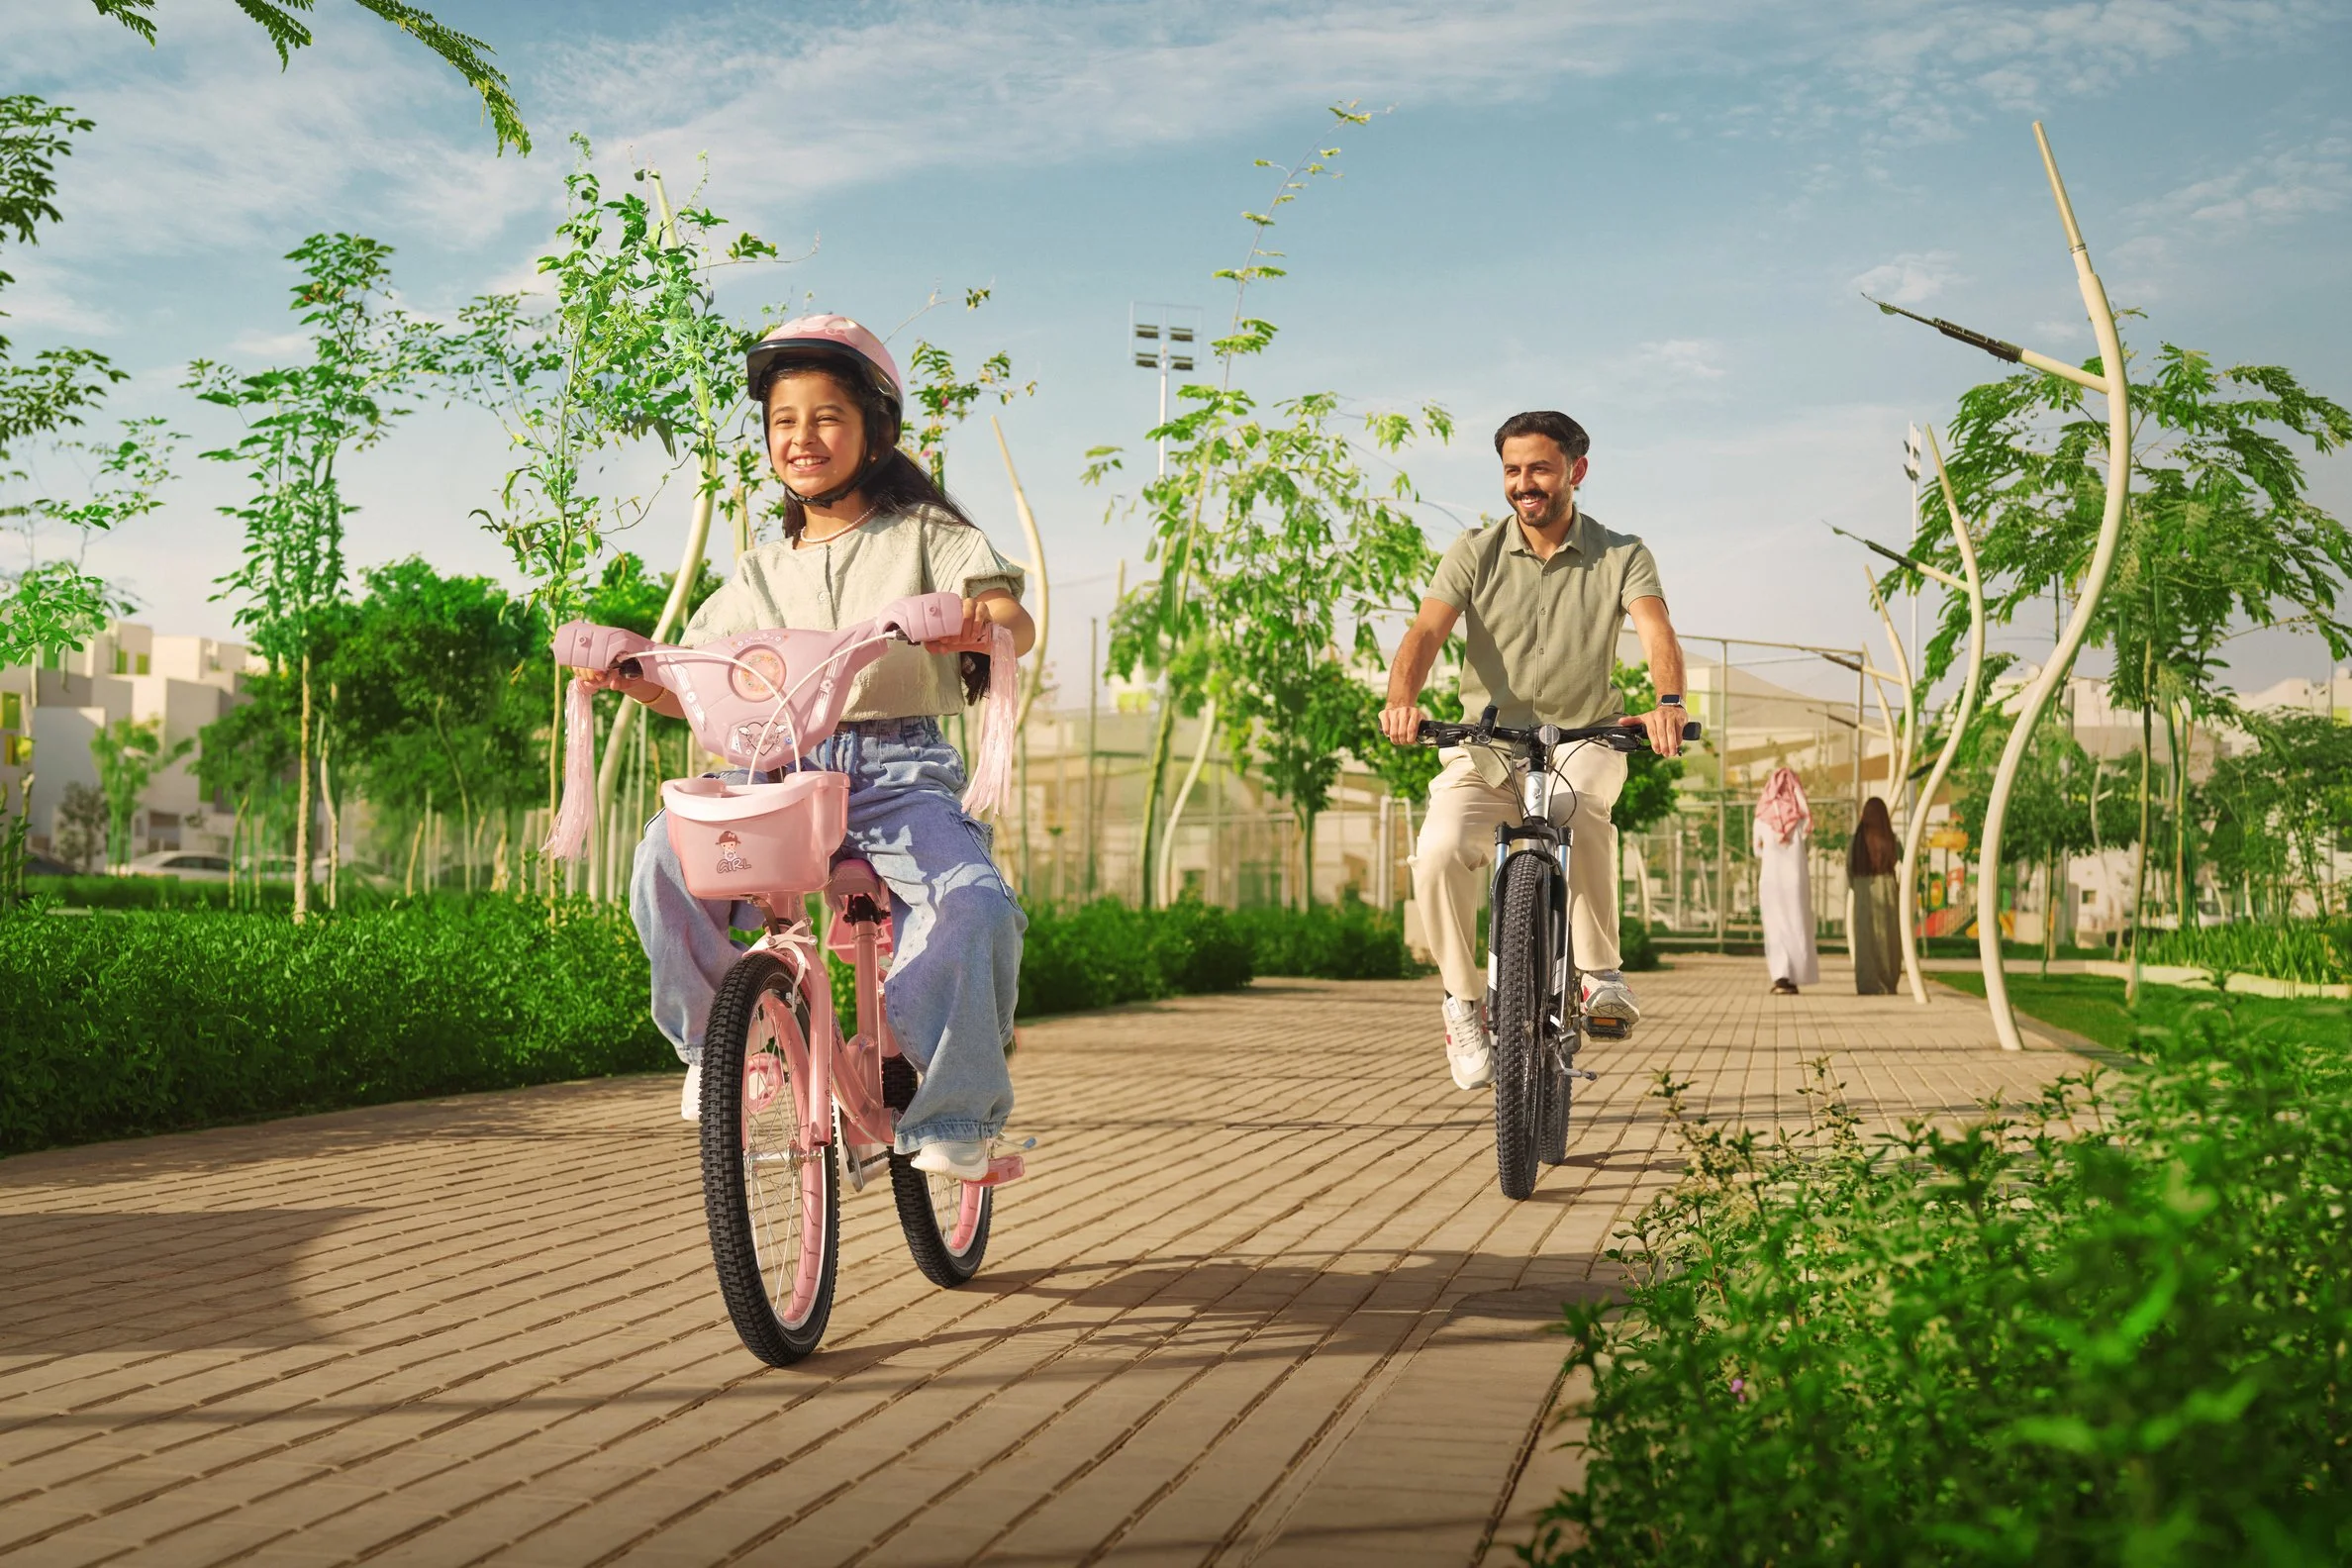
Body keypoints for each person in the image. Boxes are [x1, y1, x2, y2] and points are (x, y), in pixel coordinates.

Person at [581, 315, 1035, 1182]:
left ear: (875, 429)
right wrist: (630, 669)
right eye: (784, 421)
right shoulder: (754, 573)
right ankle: (726, 1041)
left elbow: (1011, 617)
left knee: (974, 905)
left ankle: (952, 1105)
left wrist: (980, 626)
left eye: (827, 416)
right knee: (659, 861)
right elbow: (690, 678)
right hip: (771, 771)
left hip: (898, 775)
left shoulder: (930, 541)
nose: (803, 438)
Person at [1381, 410, 1688, 1091]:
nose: (1526, 484)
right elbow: (1426, 633)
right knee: (1436, 852)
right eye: (1513, 471)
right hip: (1485, 746)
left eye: (1540, 469)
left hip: (1584, 737)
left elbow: (1656, 630)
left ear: (1575, 471)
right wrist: (1402, 698)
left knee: (1582, 811)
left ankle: (1600, 976)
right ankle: (1464, 1003)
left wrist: (1668, 704)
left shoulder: (1621, 553)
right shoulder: (1472, 551)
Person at [1753, 766, 1817, 995]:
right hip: (1796, 880)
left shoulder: (1762, 817)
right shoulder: (1801, 817)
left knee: (1775, 927)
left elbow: (1757, 851)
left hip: (1771, 880)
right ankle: (1794, 975)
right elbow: (1808, 840)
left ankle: (1781, 976)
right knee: (1796, 924)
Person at [1846, 795, 1904, 995]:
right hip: (1887, 890)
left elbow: (1849, 869)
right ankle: (1888, 982)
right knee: (1887, 940)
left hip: (1863, 892)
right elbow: (1902, 863)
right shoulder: (1891, 839)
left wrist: (1858, 887)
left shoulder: (1856, 841)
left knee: (1865, 940)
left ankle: (1868, 983)